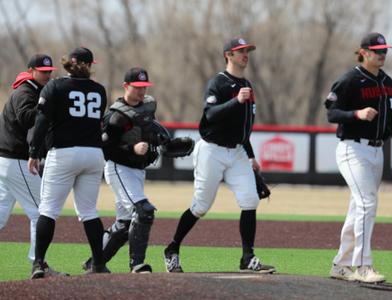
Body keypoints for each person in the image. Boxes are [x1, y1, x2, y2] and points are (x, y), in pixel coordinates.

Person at [163, 37, 276, 274]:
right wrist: (236, 101)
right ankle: (172, 249)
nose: (245, 54)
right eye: (240, 51)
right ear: (228, 55)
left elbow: (244, 128)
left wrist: (250, 156)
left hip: (236, 152)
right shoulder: (219, 82)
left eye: (247, 51)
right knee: (201, 206)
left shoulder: (247, 84)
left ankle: (248, 257)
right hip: (211, 150)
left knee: (250, 200)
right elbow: (210, 114)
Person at [324, 32, 392, 283]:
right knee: (367, 204)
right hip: (353, 149)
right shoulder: (350, 79)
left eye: (385, 50)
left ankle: (340, 265)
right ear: (364, 53)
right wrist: (357, 114)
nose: (382, 54)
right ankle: (363, 266)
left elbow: (391, 118)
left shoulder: (388, 82)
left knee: (358, 207)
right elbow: (331, 113)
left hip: (376, 150)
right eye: (377, 50)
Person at [27, 47, 108, 279]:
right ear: (90, 64)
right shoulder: (99, 90)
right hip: (93, 154)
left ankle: (39, 263)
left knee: (49, 210)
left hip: (64, 153)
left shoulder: (55, 86)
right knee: (89, 211)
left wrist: (34, 150)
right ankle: (99, 264)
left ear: (68, 64)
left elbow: (42, 120)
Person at [82, 67, 160, 274]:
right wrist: (131, 148)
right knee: (144, 211)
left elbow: (152, 129)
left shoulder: (148, 106)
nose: (142, 91)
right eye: (137, 87)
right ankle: (137, 265)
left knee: (125, 224)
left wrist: (164, 143)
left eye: (144, 87)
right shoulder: (115, 117)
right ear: (126, 86)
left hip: (138, 170)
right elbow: (105, 147)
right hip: (119, 169)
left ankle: (95, 263)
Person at [0, 54, 65, 276]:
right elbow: (26, 117)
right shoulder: (25, 91)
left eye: (49, 71)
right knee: (42, 211)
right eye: (42, 71)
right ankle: (39, 264)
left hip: (6, 161)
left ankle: (39, 262)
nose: (47, 74)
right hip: (15, 159)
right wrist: (47, 109)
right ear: (31, 71)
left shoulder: (31, 90)